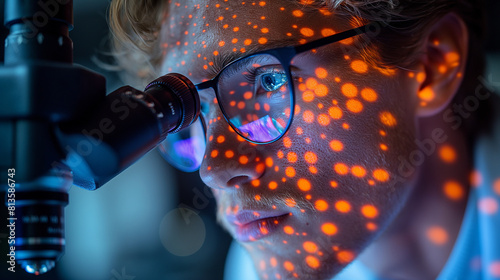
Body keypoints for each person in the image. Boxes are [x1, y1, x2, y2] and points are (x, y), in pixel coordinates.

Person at [108, 0, 500, 279]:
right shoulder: (248, 269)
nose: (214, 168)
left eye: (268, 82)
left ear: (431, 63)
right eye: (191, 117)